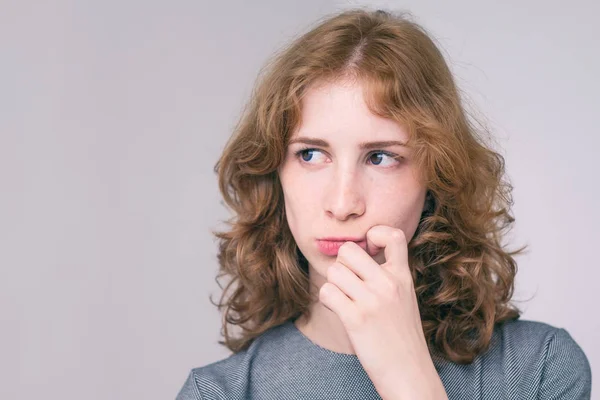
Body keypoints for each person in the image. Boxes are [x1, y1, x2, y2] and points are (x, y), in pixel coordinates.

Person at [176, 7, 592, 400]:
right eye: (310, 154)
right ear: (274, 171)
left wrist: (406, 375)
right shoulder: (221, 392)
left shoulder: (540, 368)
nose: (342, 204)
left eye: (380, 157)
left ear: (436, 174)